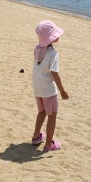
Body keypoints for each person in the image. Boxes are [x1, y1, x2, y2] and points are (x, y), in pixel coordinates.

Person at [31, 20, 69, 152]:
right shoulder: (53, 54)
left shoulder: (37, 49)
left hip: (38, 88)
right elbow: (54, 73)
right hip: (48, 90)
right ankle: (48, 144)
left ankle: (36, 136)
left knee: (41, 111)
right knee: (52, 115)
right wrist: (62, 90)